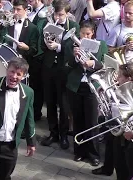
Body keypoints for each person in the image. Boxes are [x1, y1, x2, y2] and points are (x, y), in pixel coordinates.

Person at [66, 19, 107, 166]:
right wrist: (74, 56)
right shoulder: (73, 44)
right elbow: (68, 64)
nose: (85, 37)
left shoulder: (101, 45)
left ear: (93, 33)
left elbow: (104, 64)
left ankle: (93, 154)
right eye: (83, 34)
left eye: (88, 34)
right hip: (76, 86)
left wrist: (93, 63)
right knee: (78, 119)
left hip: (92, 87)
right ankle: (79, 151)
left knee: (92, 122)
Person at [40, 0, 79, 150]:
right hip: (49, 67)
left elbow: (73, 47)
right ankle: (53, 133)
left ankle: (63, 135)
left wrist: (59, 47)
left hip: (64, 69)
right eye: (56, 14)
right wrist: (47, 43)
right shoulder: (48, 23)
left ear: (67, 14)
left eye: (61, 14)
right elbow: (41, 45)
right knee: (50, 101)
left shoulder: (73, 26)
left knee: (63, 104)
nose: (58, 17)